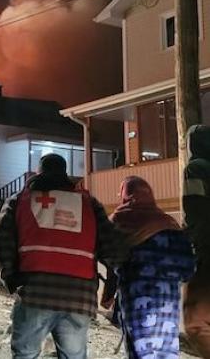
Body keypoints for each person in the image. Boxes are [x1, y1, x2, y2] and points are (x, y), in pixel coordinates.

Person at [0, 153, 127, 359]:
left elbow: (2, 239)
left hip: (34, 292)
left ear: (39, 172)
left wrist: (9, 275)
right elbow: (112, 248)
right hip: (78, 297)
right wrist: (117, 283)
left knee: (25, 354)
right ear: (65, 173)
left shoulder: (21, 199)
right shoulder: (88, 203)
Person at [102, 176, 195, 359]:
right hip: (168, 301)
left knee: (141, 350)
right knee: (166, 351)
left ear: (125, 194)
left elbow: (108, 259)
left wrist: (107, 295)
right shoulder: (170, 224)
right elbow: (187, 268)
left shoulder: (117, 221)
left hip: (135, 297)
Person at [182, 124, 210, 357]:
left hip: (205, 247)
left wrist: (192, 239)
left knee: (197, 321)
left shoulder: (196, 168)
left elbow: (195, 207)